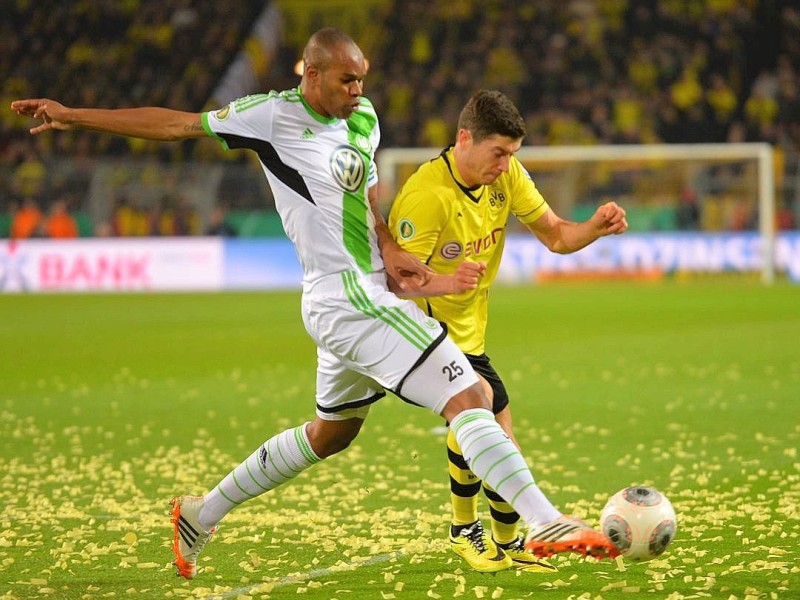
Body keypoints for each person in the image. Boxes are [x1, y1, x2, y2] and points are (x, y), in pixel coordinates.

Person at [11, 28, 619, 581]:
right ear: (312, 74)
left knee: (330, 434)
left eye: (363, 79)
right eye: (347, 80)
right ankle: (543, 521)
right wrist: (75, 116)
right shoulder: (270, 116)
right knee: (472, 395)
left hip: (367, 291)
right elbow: (176, 124)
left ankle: (202, 512)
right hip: (343, 294)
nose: (359, 90)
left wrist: (388, 247)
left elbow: (366, 196)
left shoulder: (365, 119)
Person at [388, 89, 628, 573]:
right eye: (498, 152)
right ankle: (465, 531)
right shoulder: (427, 195)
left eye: (512, 154)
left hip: (469, 334)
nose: (505, 164)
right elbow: (393, 282)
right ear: (464, 139)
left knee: (502, 435)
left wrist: (594, 227)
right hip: (421, 333)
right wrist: (443, 282)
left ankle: (509, 538)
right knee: (479, 410)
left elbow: (557, 234)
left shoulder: (507, 176)